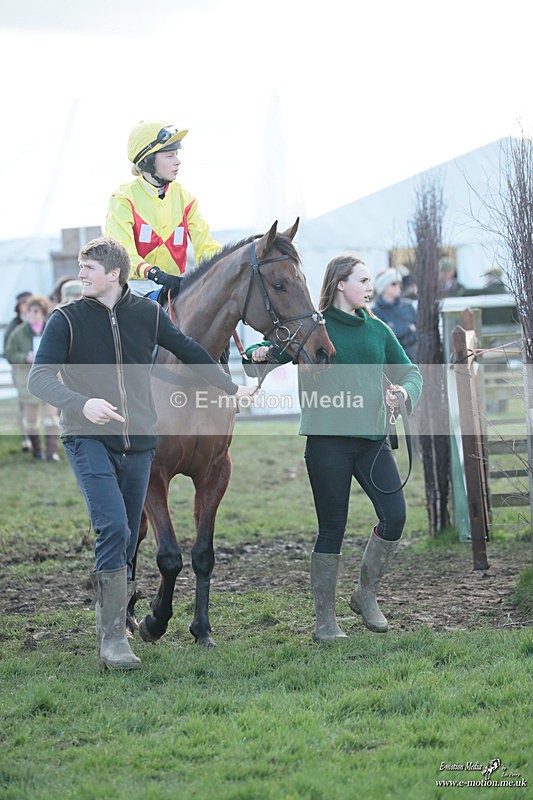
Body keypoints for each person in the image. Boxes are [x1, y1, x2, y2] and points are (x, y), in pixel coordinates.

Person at [28, 236, 256, 671]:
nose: (81, 276)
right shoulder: (66, 320)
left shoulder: (147, 314)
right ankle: (112, 639)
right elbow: (39, 380)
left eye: (88, 269)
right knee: (113, 526)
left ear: (114, 274)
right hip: (87, 436)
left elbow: (191, 351)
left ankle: (121, 615)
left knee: (131, 533)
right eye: (81, 268)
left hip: (139, 443)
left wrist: (231, 387)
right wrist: (81, 404)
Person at [299, 254, 422, 642]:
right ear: (339, 283)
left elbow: (411, 372)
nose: (370, 288)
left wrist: (401, 391)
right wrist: (259, 355)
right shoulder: (313, 327)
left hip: (373, 443)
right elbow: (264, 352)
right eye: (363, 280)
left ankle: (365, 593)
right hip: (327, 444)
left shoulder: (378, 330)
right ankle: (325, 623)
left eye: (371, 282)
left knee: (395, 516)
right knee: (332, 529)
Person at [105, 119, 222, 298]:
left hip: (175, 288)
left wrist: (228, 261)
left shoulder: (186, 199)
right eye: (170, 155)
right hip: (135, 289)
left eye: (176, 154)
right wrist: (154, 273)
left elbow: (206, 247)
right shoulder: (123, 198)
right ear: (148, 160)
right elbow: (123, 254)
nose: (178, 162)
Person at [4, 295, 60, 461]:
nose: (32, 314)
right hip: (28, 381)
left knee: (52, 418)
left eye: (36, 311)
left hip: (49, 380)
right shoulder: (18, 333)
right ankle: (37, 450)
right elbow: (9, 353)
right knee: (31, 420)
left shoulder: (52, 329)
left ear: (43, 313)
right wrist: (24, 357)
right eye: (30, 311)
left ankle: (52, 451)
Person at [3, 290, 33, 451]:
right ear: (19, 307)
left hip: (39, 371)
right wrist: (24, 358)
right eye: (25, 304)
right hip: (21, 372)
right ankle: (26, 439)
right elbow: (8, 353)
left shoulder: (42, 321)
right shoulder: (14, 326)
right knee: (24, 405)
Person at [371, 268, 418, 361]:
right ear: (383, 288)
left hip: (413, 359)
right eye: (393, 284)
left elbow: (417, 334)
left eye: (399, 283)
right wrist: (408, 328)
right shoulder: (375, 312)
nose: (398, 286)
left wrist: (396, 331)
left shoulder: (408, 306)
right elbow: (385, 339)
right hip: (391, 362)